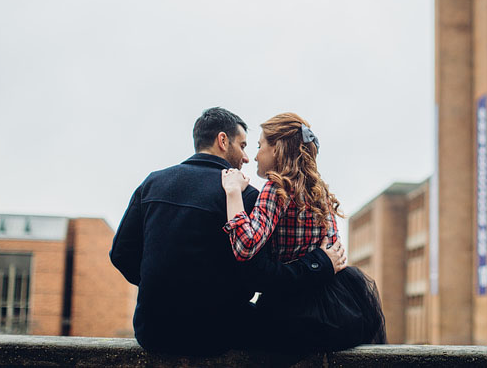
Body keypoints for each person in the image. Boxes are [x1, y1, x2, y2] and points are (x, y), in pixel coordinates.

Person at [109, 107, 346, 355]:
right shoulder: (246, 195)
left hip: (153, 331)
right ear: (223, 141)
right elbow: (261, 276)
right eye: (243, 146)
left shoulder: (152, 183)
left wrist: (165, 290)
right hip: (219, 332)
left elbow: (121, 254)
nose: (246, 157)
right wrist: (318, 263)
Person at [221, 112, 386, 351]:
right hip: (333, 308)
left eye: (259, 146)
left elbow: (246, 246)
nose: (254, 156)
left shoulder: (275, 188)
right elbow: (334, 251)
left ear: (276, 148)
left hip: (290, 312)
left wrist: (233, 192)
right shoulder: (318, 190)